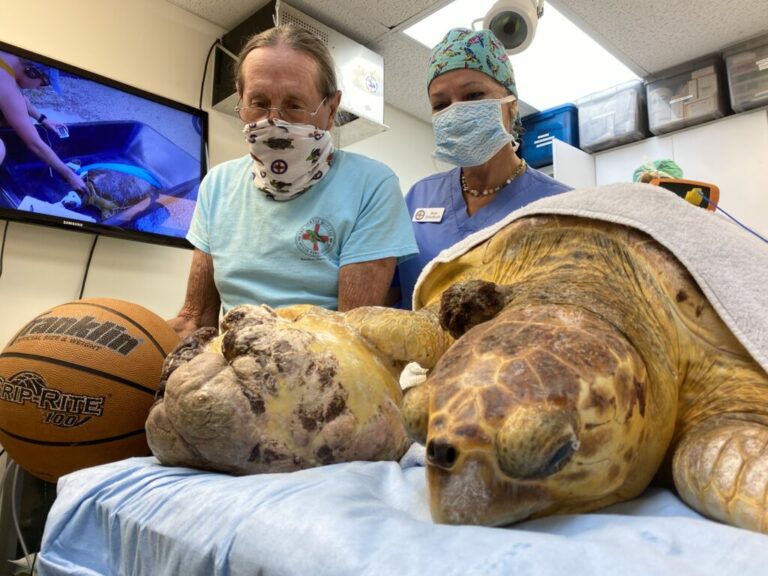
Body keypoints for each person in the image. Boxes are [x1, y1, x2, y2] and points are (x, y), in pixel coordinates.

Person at [168, 25, 418, 339]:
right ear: (241, 101)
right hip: (229, 363)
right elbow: (195, 320)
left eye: (295, 105)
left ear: (331, 110)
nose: (274, 120)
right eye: (258, 103)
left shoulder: (372, 184)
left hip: (322, 368)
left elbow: (350, 336)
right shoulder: (217, 184)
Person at [395, 28, 572, 309]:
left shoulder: (560, 206)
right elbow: (390, 295)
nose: (455, 111)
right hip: (420, 352)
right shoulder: (419, 197)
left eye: (474, 95)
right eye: (441, 104)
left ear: (512, 104)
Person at [0, 51, 86, 192]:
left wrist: (42, 118)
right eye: (44, 83)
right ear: (32, 72)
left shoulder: (7, 58)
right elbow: (35, 144)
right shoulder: (7, 86)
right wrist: (70, 175)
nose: (38, 88)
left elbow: (20, 98)